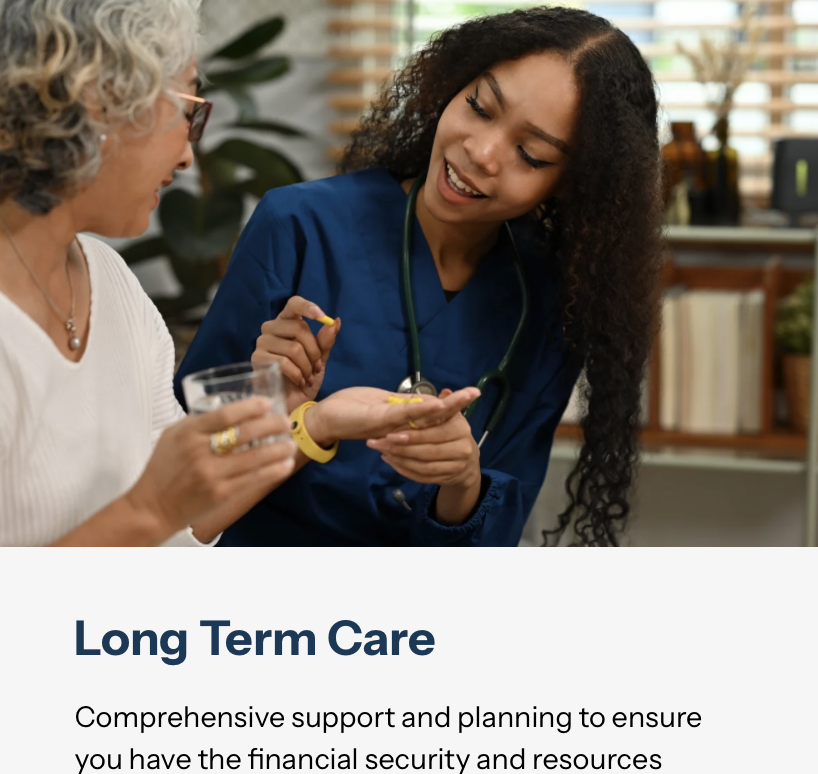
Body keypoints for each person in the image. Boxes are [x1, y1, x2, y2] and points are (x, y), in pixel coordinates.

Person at [177, 6, 663, 547]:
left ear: (572, 186)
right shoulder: (297, 226)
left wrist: (462, 482)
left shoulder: (551, 304)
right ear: (451, 88)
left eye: (530, 154)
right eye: (479, 108)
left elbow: (496, 528)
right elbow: (179, 470)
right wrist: (269, 401)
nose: (480, 152)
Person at [0, 0, 464, 546]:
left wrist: (310, 423)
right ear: (100, 101)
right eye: (188, 109)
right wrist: (151, 507)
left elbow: (186, 521)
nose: (188, 158)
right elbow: (158, 510)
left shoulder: (111, 283)